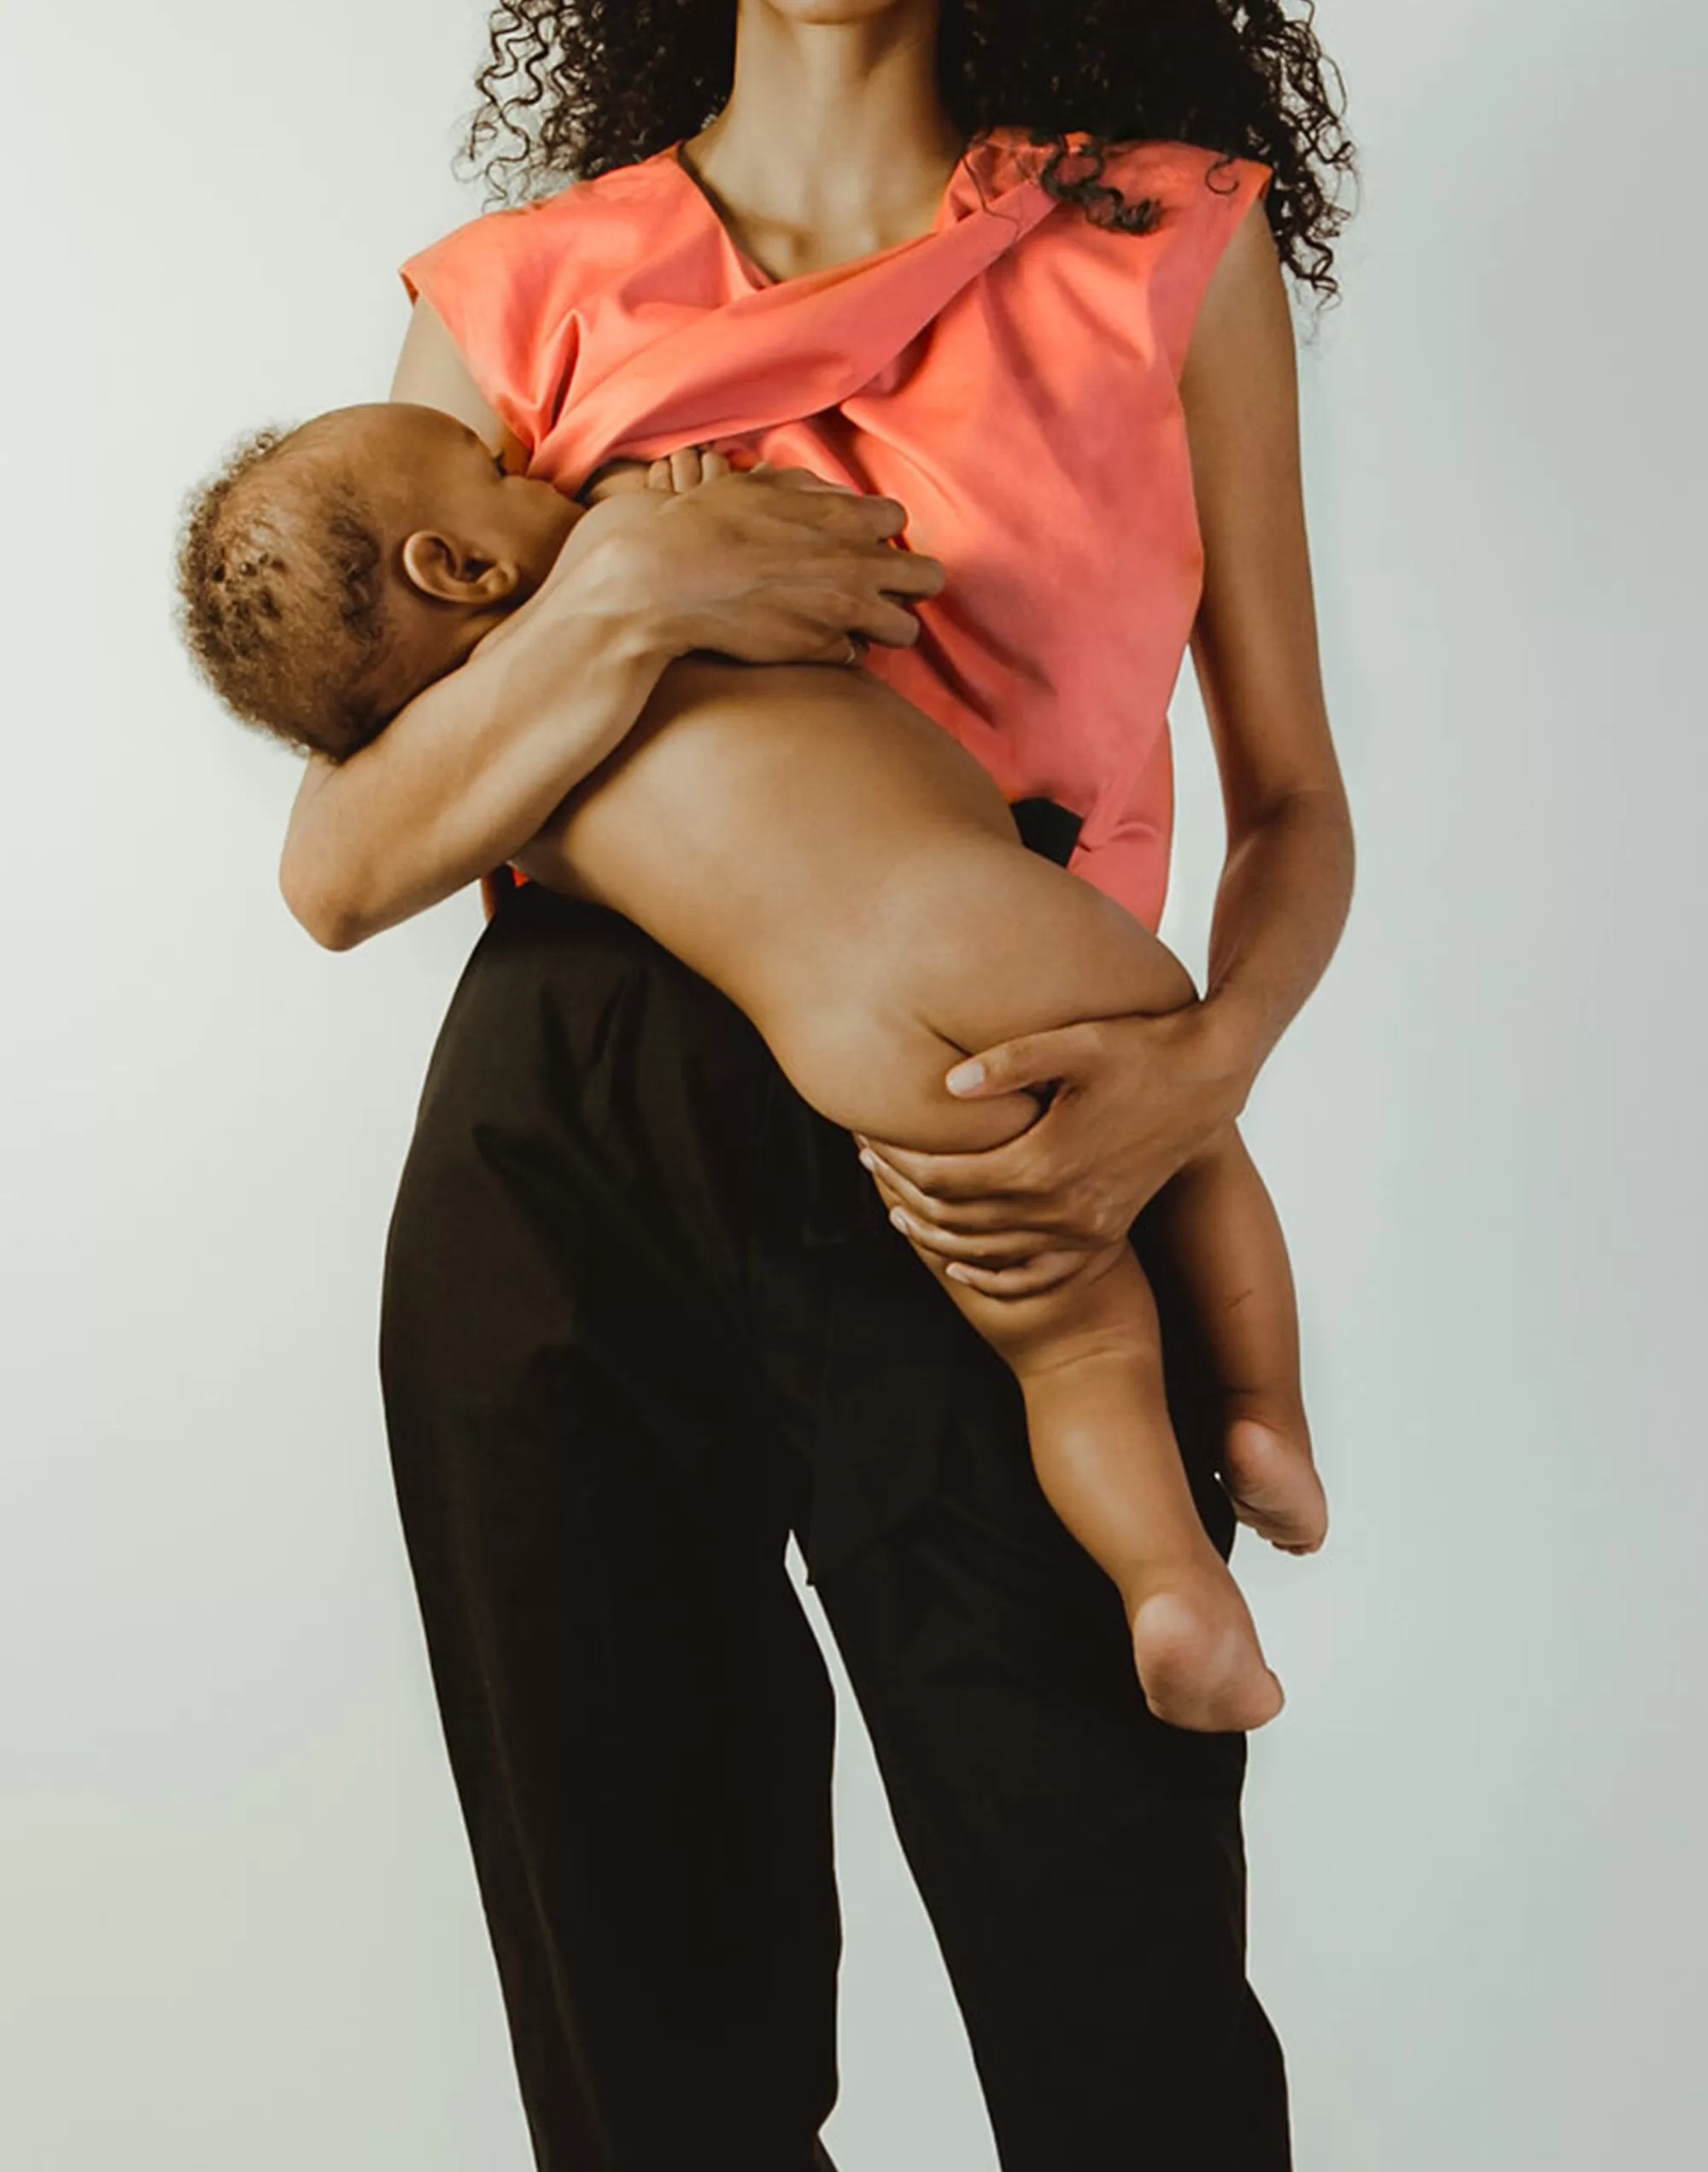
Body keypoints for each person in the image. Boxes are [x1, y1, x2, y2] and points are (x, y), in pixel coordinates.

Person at [266, 3, 1357, 2166]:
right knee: (655, 2053)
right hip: (563, 1124)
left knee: (1123, 2008)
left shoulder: (1160, 235)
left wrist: (1200, 1075)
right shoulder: (524, 290)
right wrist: (631, 596)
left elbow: (1294, 800)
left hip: (1006, 1098)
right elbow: (340, 860)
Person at [177, 411, 1327, 1731]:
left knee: (1072, 1341)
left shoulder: (502, 775)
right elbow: (840, 605)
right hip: (979, 918)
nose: (534, 471)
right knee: (1182, 1132)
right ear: (460, 566)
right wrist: (681, 498)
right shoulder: (644, 566)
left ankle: (1169, 1585)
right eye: (499, 476)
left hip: (843, 1053)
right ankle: (1261, 1415)